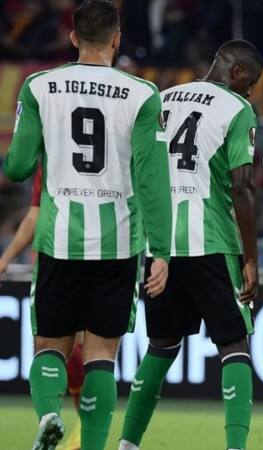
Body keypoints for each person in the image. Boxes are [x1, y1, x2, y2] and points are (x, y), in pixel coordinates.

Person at [2, 1, 173, 449]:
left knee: (49, 347)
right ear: (116, 39)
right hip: (117, 244)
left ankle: (48, 416)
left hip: (58, 240)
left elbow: (18, 167)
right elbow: (154, 182)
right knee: (101, 356)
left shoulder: (39, 86)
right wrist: (162, 251)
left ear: (73, 37)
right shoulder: (142, 94)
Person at [117, 39, 263, 450]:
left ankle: (128, 443)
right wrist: (250, 258)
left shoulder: (160, 99)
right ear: (236, 72)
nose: (251, 92)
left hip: (161, 245)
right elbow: (242, 185)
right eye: (250, 82)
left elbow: (136, 168)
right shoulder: (236, 108)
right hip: (210, 240)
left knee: (160, 346)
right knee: (234, 344)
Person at [0, 168, 85, 450]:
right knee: (73, 354)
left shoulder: (52, 150)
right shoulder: (50, 158)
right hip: (78, 258)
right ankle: (73, 424)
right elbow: (35, 212)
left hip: (84, 257)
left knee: (78, 351)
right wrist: (8, 258)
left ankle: (77, 425)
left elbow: (15, 165)